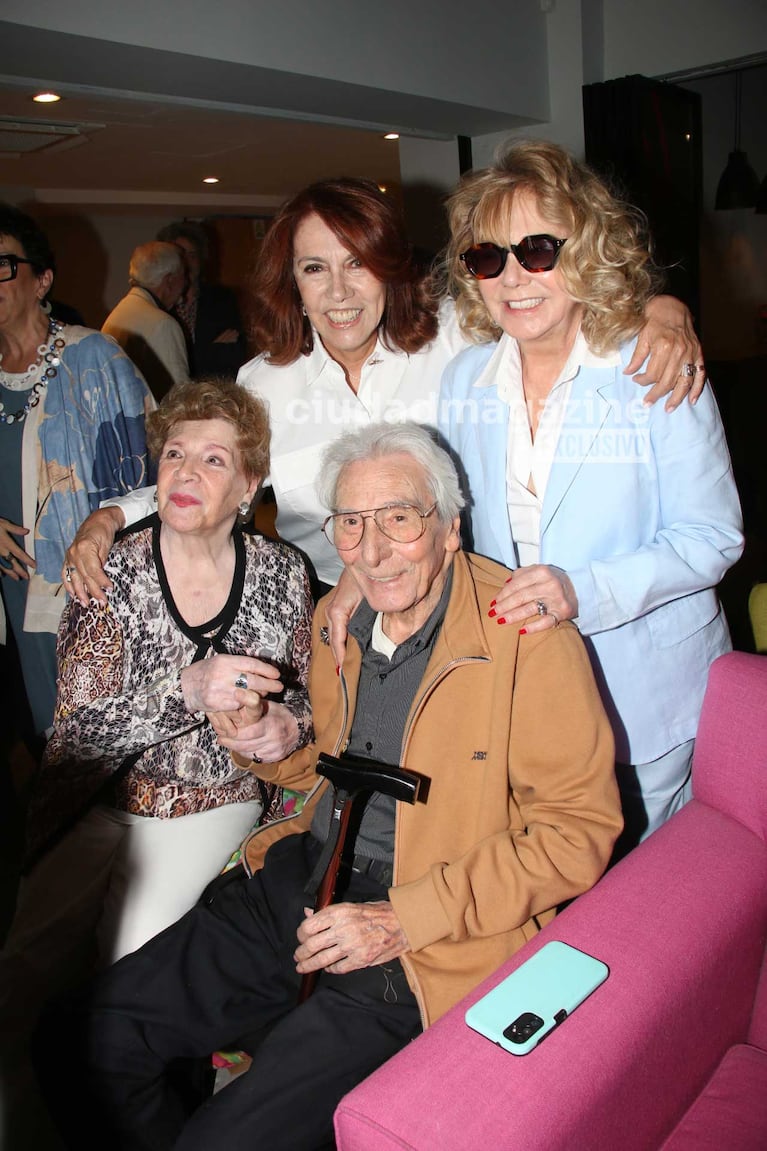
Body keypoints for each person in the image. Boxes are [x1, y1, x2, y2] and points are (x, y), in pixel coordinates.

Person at [35, 421, 622, 1151]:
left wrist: (404, 916)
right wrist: (266, 740)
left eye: (399, 519)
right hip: (307, 874)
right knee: (79, 1040)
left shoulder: (525, 638)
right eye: (351, 524)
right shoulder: (337, 621)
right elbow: (326, 771)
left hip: (424, 933)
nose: (372, 552)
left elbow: (577, 832)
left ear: (448, 527)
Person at [62, 177, 704, 603]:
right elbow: (206, 475)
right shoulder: (264, 384)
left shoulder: (456, 339)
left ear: (389, 269)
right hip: (337, 616)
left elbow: (550, 310)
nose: (339, 293)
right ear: (293, 283)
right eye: (316, 270)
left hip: (467, 607)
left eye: (357, 265)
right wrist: (112, 516)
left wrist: (660, 309)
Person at [0, 379, 314, 1149]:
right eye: (174, 453)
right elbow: (79, 736)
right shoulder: (112, 571)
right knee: (20, 972)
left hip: (209, 802)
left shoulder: (281, 574)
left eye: (214, 459)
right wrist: (187, 686)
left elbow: (316, 700)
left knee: (132, 962)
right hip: (100, 804)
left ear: (248, 485)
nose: (186, 472)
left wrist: (285, 723)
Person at [438, 139, 744, 852]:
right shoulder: (465, 380)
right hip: (526, 689)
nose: (512, 276)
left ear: (587, 251)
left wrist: (583, 590)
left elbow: (711, 536)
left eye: (537, 250)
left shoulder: (652, 365)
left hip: (646, 690)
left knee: (646, 885)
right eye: (488, 257)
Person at [0, 204, 153, 746]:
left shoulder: (93, 358)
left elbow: (154, 475)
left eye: (3, 265)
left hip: (77, 586)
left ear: (42, 279)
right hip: (6, 594)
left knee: (78, 740)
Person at [157, 219, 248, 379]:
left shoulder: (222, 299)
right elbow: (165, 363)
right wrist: (212, 350)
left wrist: (196, 355)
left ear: (201, 260)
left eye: (192, 255)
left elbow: (236, 356)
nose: (186, 263)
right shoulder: (160, 305)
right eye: (180, 255)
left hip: (215, 394)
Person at [102, 240, 189, 401]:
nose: (186, 283)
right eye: (183, 276)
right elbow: (180, 398)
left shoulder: (116, 315)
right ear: (169, 280)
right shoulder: (163, 324)